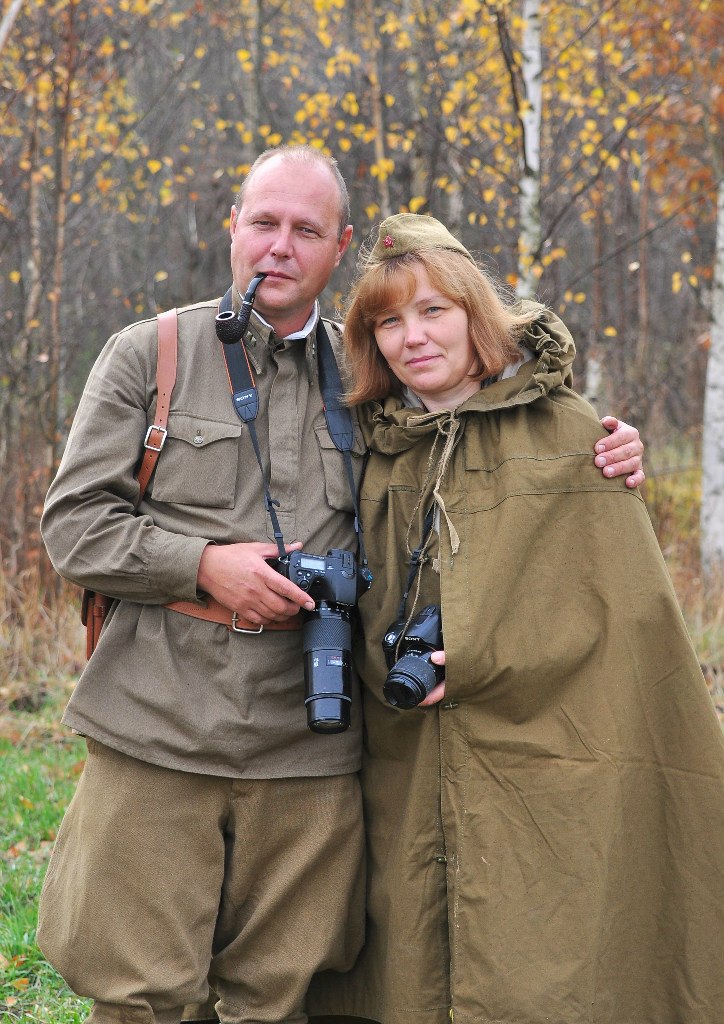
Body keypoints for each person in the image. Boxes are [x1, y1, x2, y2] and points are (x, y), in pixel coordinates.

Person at [38, 148, 645, 1024]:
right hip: (158, 728)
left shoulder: (370, 375)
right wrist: (202, 565)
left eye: (306, 230)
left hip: (312, 748)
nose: (279, 246)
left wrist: (596, 446)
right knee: (142, 997)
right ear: (234, 228)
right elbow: (72, 527)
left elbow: (477, 420)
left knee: (283, 1000)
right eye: (263, 223)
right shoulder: (151, 355)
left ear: (338, 248)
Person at [305, 214, 724, 1024]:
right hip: (406, 754)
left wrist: (483, 651)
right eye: (388, 321)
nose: (412, 338)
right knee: (412, 952)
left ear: (476, 314)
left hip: (550, 753)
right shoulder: (371, 445)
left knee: (543, 950)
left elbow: (621, 614)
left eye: (434, 311)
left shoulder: (571, 432)